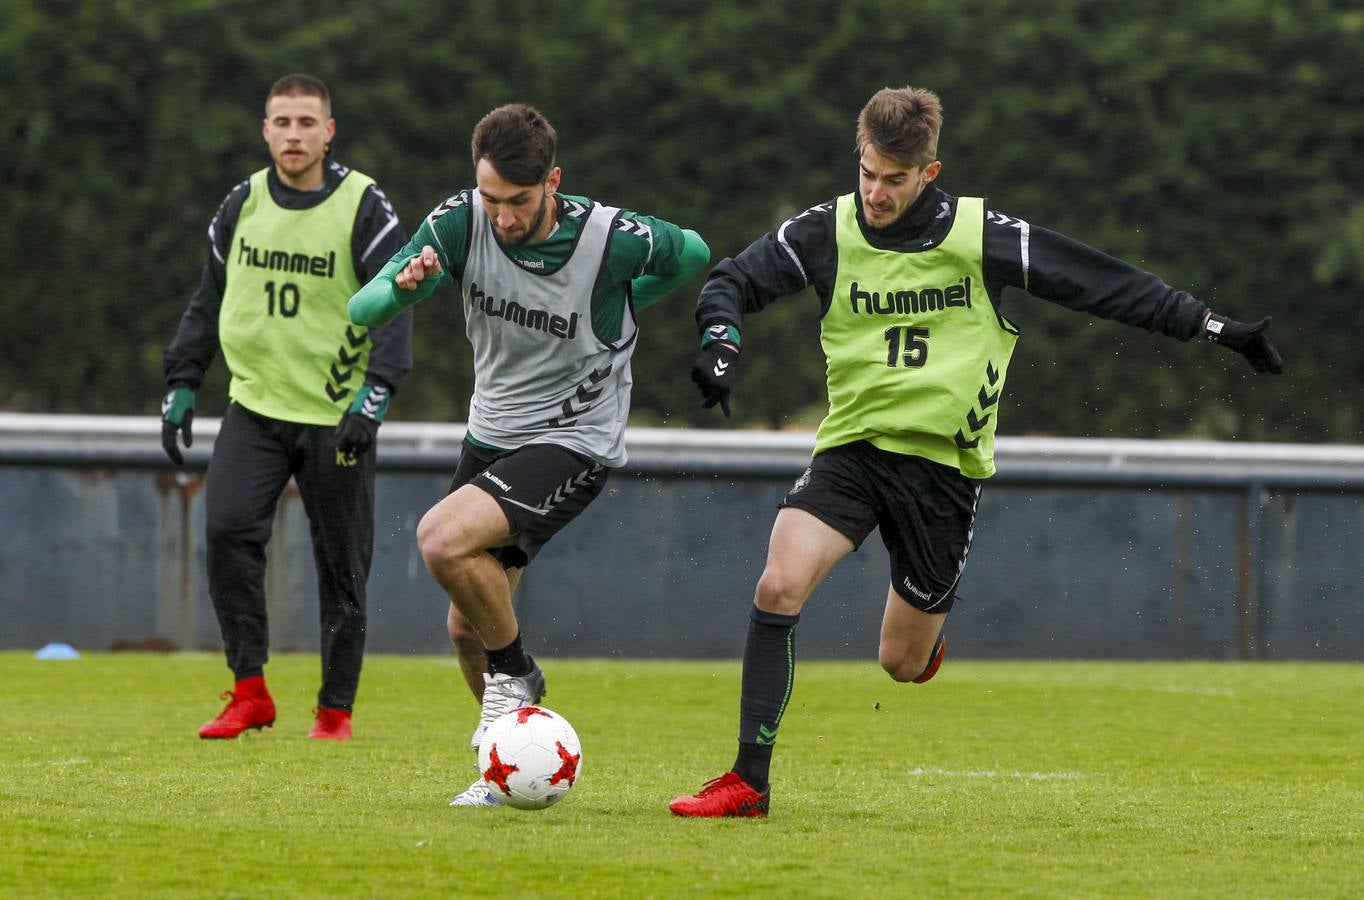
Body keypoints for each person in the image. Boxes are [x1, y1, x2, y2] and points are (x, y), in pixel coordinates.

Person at [669, 85, 1285, 817]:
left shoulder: (980, 235)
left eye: (893, 180)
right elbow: (732, 281)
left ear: (928, 173)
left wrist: (1211, 327)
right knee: (778, 586)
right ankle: (749, 782)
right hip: (853, 453)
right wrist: (720, 341)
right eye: (866, 174)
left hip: (943, 474)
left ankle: (926, 648)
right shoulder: (825, 230)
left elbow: (1100, 284)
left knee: (899, 662)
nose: (874, 192)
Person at [348, 102, 710, 805]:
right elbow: (362, 312)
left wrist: (628, 302)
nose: (503, 217)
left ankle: (519, 674)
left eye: (518, 201)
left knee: (440, 540)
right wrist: (402, 287)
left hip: (575, 440)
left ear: (554, 182)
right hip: (492, 435)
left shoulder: (609, 238)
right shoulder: (458, 222)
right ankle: (505, 769)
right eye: (491, 198)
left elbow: (693, 253)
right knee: (463, 625)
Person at [161, 74, 413, 742]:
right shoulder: (241, 202)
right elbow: (209, 296)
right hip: (257, 407)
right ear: (264, 130)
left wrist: (375, 395)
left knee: (341, 565)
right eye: (282, 122)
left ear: (329, 132)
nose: (294, 134)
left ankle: (334, 714)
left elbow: (396, 304)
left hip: (337, 416)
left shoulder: (364, 205)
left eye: (307, 122)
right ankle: (250, 691)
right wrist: (183, 380)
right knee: (226, 532)